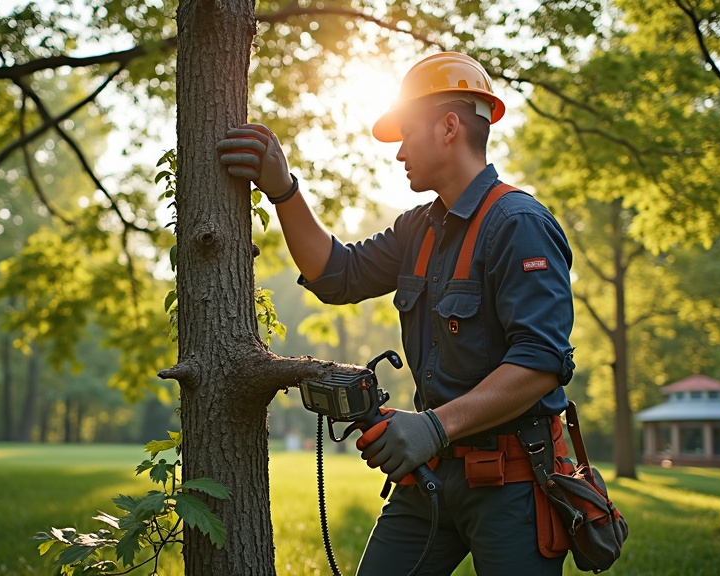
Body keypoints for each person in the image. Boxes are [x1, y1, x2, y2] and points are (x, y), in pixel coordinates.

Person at [217, 52, 576, 575]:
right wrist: (283, 189)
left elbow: (541, 362)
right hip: (428, 478)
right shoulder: (418, 229)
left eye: (407, 134)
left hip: (514, 482)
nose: (400, 151)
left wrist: (433, 427)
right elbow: (335, 274)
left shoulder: (519, 223)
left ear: (449, 127)